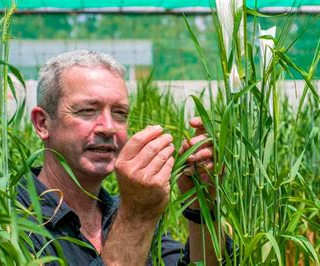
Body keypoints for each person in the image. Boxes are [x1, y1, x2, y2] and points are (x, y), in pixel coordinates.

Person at [16, 50, 229, 265]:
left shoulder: (118, 212)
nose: (108, 128)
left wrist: (202, 206)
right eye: (87, 111)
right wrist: (136, 216)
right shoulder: (11, 218)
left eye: (120, 113)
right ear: (42, 123)